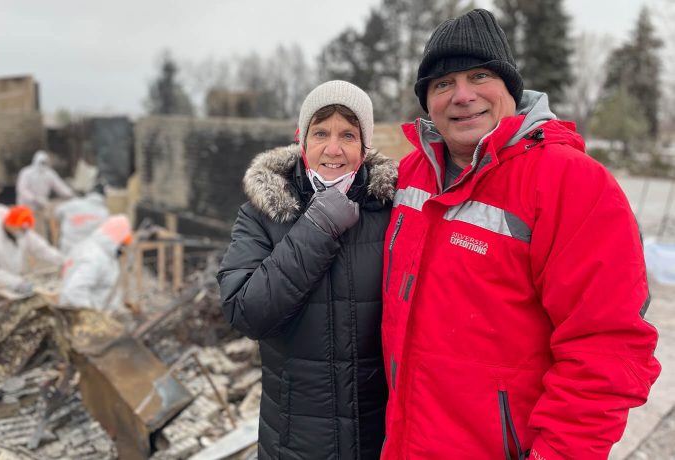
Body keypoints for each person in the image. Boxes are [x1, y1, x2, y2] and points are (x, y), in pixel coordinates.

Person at [380, 9, 661, 459]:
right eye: (443, 83)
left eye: (479, 76)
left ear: (510, 88)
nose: (462, 95)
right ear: (427, 100)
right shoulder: (409, 176)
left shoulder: (571, 183)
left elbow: (608, 351)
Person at [217, 80, 396, 459]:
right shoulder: (262, 214)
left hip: (379, 440)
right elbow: (246, 312)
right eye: (321, 133)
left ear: (364, 146)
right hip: (294, 443)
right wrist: (318, 227)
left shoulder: (392, 211)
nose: (333, 149)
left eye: (348, 134)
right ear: (302, 140)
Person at [0, 205, 64, 294]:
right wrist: (17, 283)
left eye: (25, 230)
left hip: (13, 282)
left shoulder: (22, 233)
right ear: (10, 224)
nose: (23, 232)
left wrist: (64, 261)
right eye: (21, 229)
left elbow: (42, 249)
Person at [59, 214, 132, 312]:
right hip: (82, 319)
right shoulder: (93, 257)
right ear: (116, 240)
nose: (124, 248)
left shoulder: (104, 253)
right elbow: (74, 290)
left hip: (101, 313)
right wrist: (93, 318)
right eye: (123, 243)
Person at [53, 184, 109, 253]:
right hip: (88, 250)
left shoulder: (73, 203)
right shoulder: (104, 212)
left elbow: (56, 213)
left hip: (67, 246)